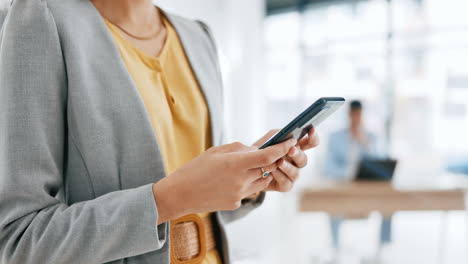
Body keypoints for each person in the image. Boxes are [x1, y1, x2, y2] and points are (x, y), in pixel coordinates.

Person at [0, 1, 320, 263]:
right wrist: (167, 199)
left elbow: (202, 206)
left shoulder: (198, 37)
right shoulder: (41, 20)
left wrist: (251, 178)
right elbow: (17, 240)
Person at [323, 100, 392, 251]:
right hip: (343, 187)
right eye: (353, 115)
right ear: (348, 115)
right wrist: (349, 173)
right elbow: (327, 168)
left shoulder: (371, 137)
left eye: (359, 115)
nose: (356, 118)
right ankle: (336, 249)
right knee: (332, 205)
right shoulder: (335, 137)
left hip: (367, 189)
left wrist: (365, 144)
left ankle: (382, 250)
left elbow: (379, 166)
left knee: (390, 203)